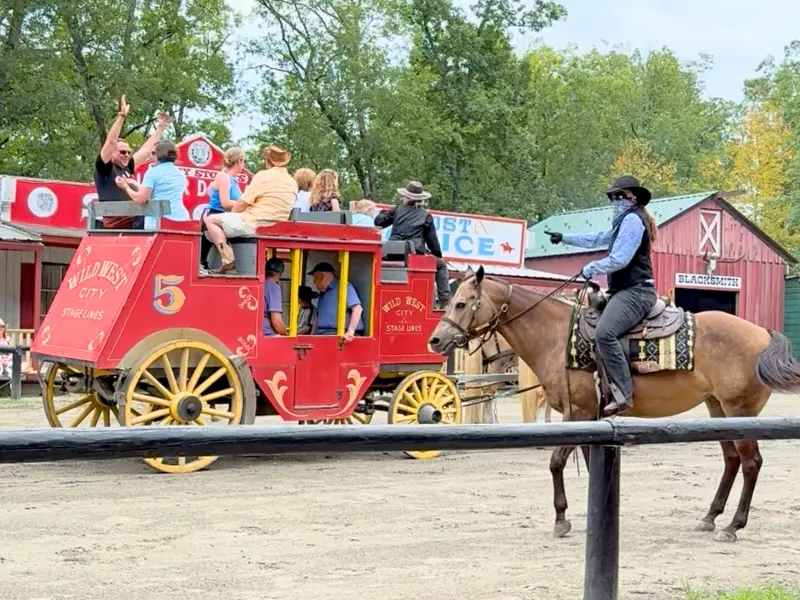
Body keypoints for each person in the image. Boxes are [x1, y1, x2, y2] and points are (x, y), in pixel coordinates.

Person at [545, 175, 658, 417]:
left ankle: (624, 393)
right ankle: (600, 386)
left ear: (633, 197)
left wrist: (591, 268)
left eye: (620, 196)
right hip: (624, 291)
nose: (615, 200)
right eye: (612, 196)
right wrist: (564, 238)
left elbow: (620, 259)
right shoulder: (623, 222)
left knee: (604, 333)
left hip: (636, 292)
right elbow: (596, 238)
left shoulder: (632, 221)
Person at [203, 145, 297, 273]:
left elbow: (242, 204)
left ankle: (227, 260)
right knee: (222, 224)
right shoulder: (292, 182)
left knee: (211, 220)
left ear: (268, 161)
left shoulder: (263, 176)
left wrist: (232, 216)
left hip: (256, 223)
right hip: (278, 225)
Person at [95, 94, 172, 229]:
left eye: (129, 152)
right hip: (116, 217)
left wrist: (160, 128)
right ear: (112, 152)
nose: (127, 155)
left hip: (130, 214)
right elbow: (111, 142)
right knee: (145, 213)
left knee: (161, 213)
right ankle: (140, 241)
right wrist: (121, 116)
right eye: (123, 152)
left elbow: (146, 151)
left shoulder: (127, 167)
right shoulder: (105, 167)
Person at [375, 181, 450, 307]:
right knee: (441, 265)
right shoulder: (426, 216)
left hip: (391, 253)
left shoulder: (396, 210)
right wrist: (438, 255)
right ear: (420, 199)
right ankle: (445, 301)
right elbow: (432, 241)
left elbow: (378, 222)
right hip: (414, 255)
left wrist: (384, 212)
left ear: (405, 196)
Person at [115, 140, 189, 229]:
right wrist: (134, 183)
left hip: (158, 223)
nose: (150, 156)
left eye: (153, 153)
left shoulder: (152, 172)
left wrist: (126, 187)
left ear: (161, 154)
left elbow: (141, 199)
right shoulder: (180, 174)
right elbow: (159, 190)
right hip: (181, 220)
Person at [309, 262, 363, 342]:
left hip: (339, 336)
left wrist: (350, 332)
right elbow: (318, 318)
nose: (314, 281)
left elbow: (357, 309)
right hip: (323, 336)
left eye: (315, 278)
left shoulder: (344, 287)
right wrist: (311, 337)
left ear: (321, 276)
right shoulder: (323, 293)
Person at [208, 147, 246, 214]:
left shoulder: (233, 179)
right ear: (239, 161)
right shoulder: (223, 176)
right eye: (244, 161)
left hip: (227, 218)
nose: (244, 164)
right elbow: (226, 203)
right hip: (217, 216)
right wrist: (246, 206)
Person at [263, 257, 287, 336]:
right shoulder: (273, 287)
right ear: (280, 273)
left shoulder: (262, 284)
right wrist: (286, 334)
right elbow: (277, 322)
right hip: (267, 334)